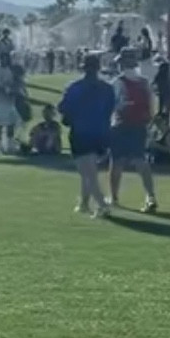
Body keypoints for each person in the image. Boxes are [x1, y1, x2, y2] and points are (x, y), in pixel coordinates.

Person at [59, 54, 114, 216]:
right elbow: (110, 110)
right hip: (101, 133)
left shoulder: (75, 87)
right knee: (89, 170)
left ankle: (102, 205)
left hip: (81, 132)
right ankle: (83, 203)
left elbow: (63, 108)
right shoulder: (107, 88)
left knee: (88, 172)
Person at [109, 49, 157, 212]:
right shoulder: (144, 82)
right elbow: (151, 106)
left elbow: (113, 105)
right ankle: (150, 196)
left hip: (120, 125)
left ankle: (114, 198)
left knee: (117, 163)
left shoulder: (117, 82)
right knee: (141, 161)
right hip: (139, 125)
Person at [0, 46, 20, 154]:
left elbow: (12, 83)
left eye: (6, 58)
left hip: (9, 101)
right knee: (0, 124)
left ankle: (10, 145)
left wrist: (13, 89)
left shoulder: (9, 70)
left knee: (11, 123)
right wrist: (6, 89)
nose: (5, 60)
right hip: (0, 101)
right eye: (3, 58)